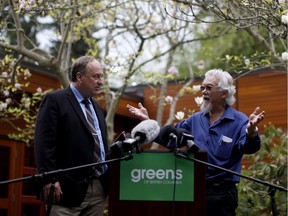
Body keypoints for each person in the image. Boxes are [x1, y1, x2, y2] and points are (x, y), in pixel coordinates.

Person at [127, 69, 265, 216]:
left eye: (209, 88)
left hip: (222, 195)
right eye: (202, 87)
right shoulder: (195, 119)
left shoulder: (240, 121)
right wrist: (148, 123)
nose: (204, 91)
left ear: (224, 93)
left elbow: (249, 147)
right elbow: (171, 138)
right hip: (192, 189)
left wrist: (251, 133)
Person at [34, 56, 109, 216]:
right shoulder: (55, 100)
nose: (101, 81)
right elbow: (44, 144)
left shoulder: (97, 107)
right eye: (96, 76)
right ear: (79, 77)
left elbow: (100, 145)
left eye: (101, 76)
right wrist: (50, 179)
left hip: (98, 189)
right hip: (65, 189)